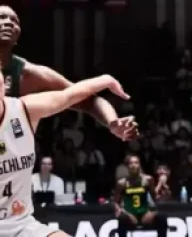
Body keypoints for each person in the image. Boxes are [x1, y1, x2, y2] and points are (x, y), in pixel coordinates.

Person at [0, 71, 129, 236]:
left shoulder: (24, 109)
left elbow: (69, 95)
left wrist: (105, 80)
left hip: (22, 225)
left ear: (5, 83)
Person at [0, 5, 138, 140]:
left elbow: (88, 101)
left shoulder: (30, 74)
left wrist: (113, 123)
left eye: (14, 20)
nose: (9, 23)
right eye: (2, 17)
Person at [114, 155, 167, 237]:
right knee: (122, 219)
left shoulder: (148, 179)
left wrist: (162, 193)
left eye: (136, 163)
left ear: (139, 165)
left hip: (145, 214)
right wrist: (119, 210)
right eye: (130, 163)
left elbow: (154, 198)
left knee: (161, 217)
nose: (133, 165)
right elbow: (116, 202)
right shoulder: (121, 183)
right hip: (130, 214)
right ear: (127, 166)